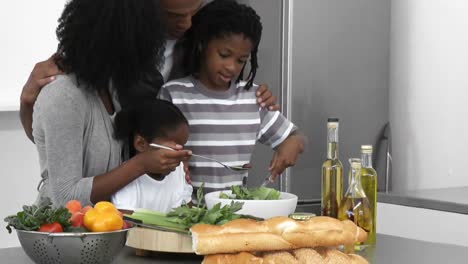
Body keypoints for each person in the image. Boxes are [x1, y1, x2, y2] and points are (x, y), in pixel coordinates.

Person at [19, 0, 279, 143]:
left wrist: (254, 97)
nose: (187, 24)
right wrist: (28, 104)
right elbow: (57, 144)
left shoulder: (203, 41)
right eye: (174, 16)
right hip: (109, 205)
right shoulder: (99, 46)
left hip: (182, 197)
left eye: (194, 11)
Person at [32, 0, 191, 207]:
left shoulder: (112, 89)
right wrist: (142, 163)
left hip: (105, 230)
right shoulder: (64, 96)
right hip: (63, 236)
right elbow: (65, 197)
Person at [159, 0, 305, 194]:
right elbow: (153, 149)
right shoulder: (174, 94)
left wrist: (292, 145)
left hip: (233, 214)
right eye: (224, 54)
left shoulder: (253, 99)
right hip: (181, 214)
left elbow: (295, 137)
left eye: (241, 60)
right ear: (203, 45)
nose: (232, 67)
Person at [111, 100, 193, 213]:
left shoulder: (178, 172)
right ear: (141, 144)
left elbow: (188, 214)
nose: (180, 156)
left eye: (182, 147)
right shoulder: (127, 181)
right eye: (174, 150)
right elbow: (126, 223)